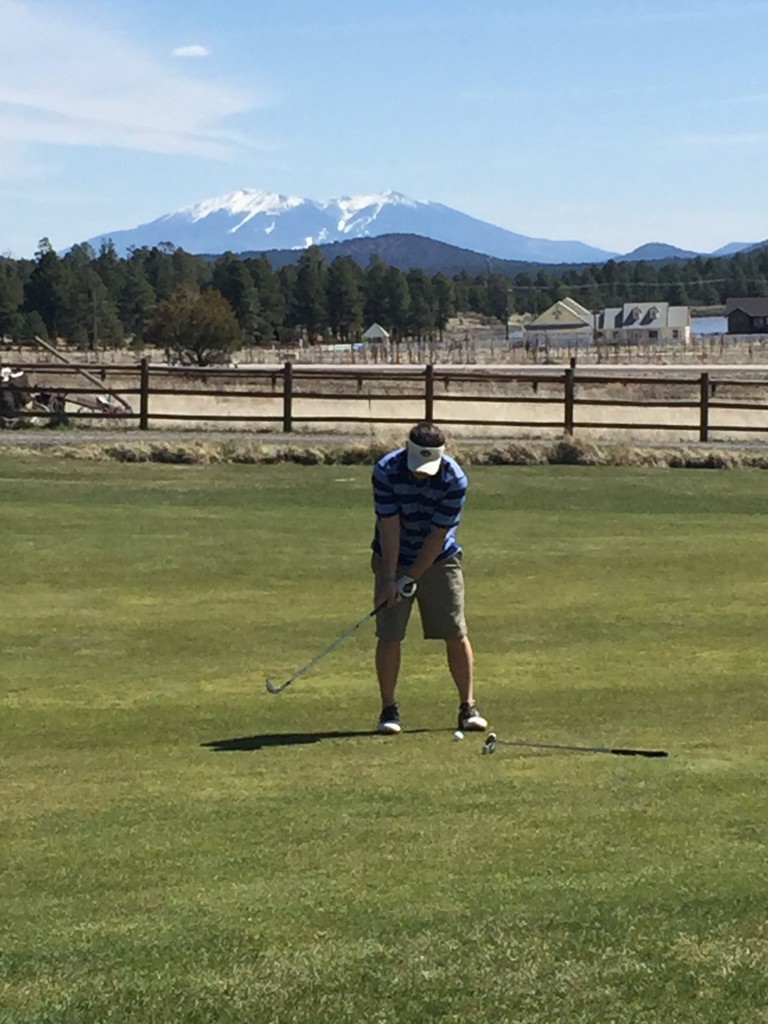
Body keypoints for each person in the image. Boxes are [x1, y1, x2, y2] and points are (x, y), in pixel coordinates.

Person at [370, 421, 488, 735]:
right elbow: (389, 527)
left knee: (454, 630)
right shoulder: (386, 471)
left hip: (440, 559)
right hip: (391, 555)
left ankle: (467, 707)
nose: (422, 472)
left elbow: (437, 536)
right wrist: (389, 579)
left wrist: (410, 578)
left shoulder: (454, 479)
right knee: (390, 633)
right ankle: (388, 709)